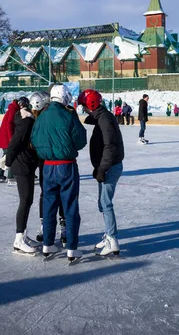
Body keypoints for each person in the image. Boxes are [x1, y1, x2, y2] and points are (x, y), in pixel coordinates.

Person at [31, 83, 87, 263]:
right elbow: (80, 140)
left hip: (47, 167)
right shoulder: (68, 115)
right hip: (66, 166)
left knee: (49, 205)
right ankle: (71, 248)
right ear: (65, 98)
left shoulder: (41, 116)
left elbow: (34, 139)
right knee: (69, 206)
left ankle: (48, 244)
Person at [78, 89, 124, 256]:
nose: (84, 109)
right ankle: (109, 235)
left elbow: (110, 146)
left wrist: (102, 169)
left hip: (110, 167)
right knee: (102, 204)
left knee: (106, 204)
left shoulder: (104, 119)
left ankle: (112, 240)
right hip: (106, 166)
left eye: (84, 106)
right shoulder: (102, 117)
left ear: (92, 104)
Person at [5, 96, 39, 254]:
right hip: (22, 164)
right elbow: (16, 141)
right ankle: (19, 240)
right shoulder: (26, 121)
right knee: (25, 200)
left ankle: (23, 235)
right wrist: (8, 161)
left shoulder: (25, 118)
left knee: (28, 200)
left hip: (26, 163)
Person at [32, 91, 67, 247]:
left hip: (51, 161)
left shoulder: (49, 117)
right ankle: (45, 226)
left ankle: (62, 226)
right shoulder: (36, 119)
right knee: (48, 194)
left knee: (54, 194)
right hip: (45, 162)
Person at [0, 99, 19, 183]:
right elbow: (9, 124)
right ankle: (11, 176)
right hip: (6, 138)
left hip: (4, 137)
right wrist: (11, 138)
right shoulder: (13, 110)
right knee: (11, 155)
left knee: (6, 155)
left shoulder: (12, 109)